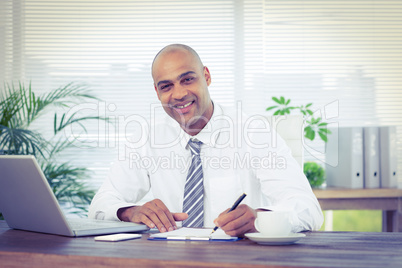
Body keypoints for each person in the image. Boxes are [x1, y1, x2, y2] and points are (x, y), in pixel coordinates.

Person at [89, 44, 323, 237]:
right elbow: (100, 205)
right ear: (157, 91)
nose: (179, 94)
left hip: (238, 260)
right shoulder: (145, 139)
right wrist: (130, 212)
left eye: (188, 79)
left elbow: (308, 209)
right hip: (168, 258)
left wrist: (262, 219)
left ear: (207, 77)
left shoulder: (254, 133)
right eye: (166, 86)